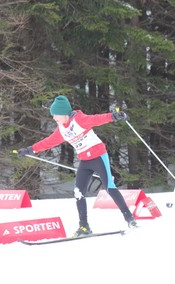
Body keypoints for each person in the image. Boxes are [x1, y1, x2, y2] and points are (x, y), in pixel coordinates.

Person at [17, 95, 137, 237]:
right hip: (85, 161)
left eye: (56, 115)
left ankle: (129, 218)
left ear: (64, 114)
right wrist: (30, 150)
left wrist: (114, 116)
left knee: (110, 187)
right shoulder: (61, 129)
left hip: (98, 156)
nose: (54, 118)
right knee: (78, 192)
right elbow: (48, 142)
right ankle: (84, 227)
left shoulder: (79, 120)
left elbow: (97, 119)